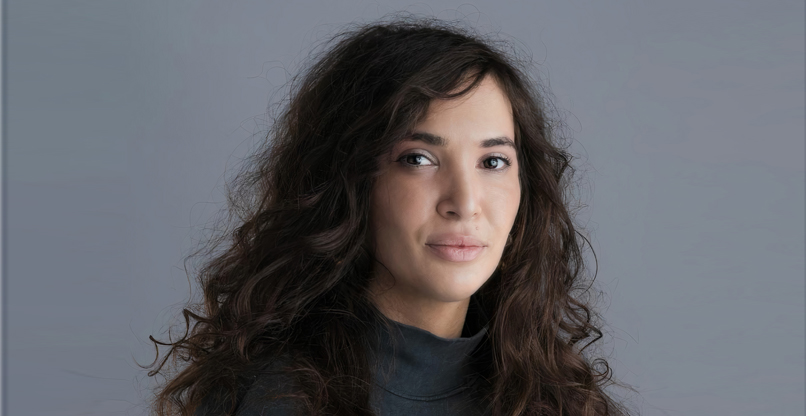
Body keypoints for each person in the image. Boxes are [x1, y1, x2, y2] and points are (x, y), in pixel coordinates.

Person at [144, 15, 635, 416]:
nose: (465, 202)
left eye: (493, 162)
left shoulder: (559, 397)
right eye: (418, 159)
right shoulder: (278, 400)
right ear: (351, 181)